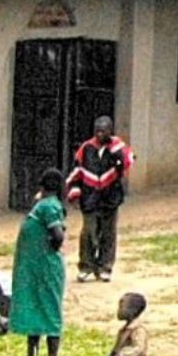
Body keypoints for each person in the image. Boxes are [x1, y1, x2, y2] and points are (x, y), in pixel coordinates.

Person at [65, 116, 134, 283]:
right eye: (97, 131)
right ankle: (86, 266)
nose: (99, 134)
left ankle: (105, 267)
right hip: (90, 197)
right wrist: (74, 191)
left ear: (110, 131)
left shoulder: (117, 148)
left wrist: (116, 151)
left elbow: (127, 161)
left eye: (103, 131)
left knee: (108, 233)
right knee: (89, 231)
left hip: (111, 196)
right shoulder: (86, 148)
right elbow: (77, 170)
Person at [12, 168, 67, 356]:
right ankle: (32, 355)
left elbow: (58, 235)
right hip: (36, 267)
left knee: (49, 308)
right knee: (35, 308)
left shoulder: (49, 207)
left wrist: (49, 249)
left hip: (46, 267)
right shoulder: (44, 205)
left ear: (42, 186)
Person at [109, 292, 152, 356]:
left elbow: (138, 348)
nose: (118, 311)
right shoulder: (124, 330)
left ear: (132, 310)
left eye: (121, 307)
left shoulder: (138, 329)